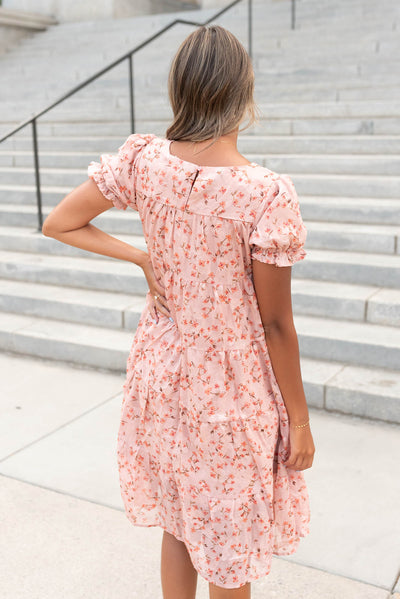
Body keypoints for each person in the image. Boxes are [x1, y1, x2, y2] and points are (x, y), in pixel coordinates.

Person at [42, 23, 315, 599]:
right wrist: (301, 418)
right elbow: (273, 323)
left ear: (180, 89)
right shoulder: (264, 193)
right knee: (229, 541)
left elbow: (60, 221)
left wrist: (141, 256)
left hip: (162, 372)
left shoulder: (143, 160)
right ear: (243, 94)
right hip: (230, 390)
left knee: (181, 518)